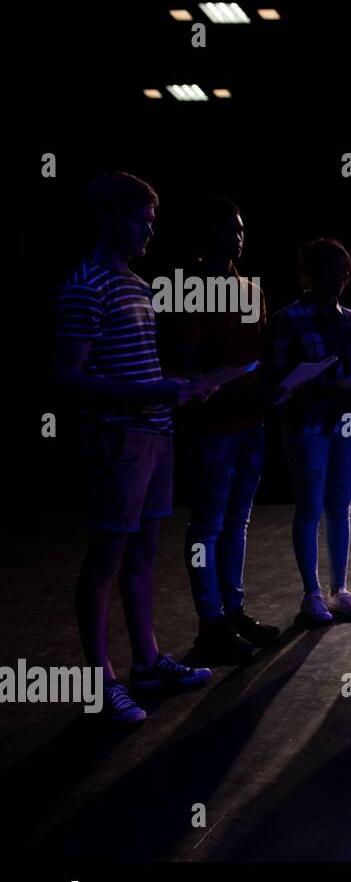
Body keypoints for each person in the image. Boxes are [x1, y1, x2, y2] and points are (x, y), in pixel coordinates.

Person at [53, 171, 213, 724]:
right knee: (104, 561)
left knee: (142, 554)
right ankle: (99, 683)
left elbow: (135, 364)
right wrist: (150, 391)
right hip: (116, 439)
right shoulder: (84, 286)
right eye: (140, 220)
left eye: (152, 220)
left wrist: (180, 387)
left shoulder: (139, 286)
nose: (149, 230)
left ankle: (146, 663)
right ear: (106, 218)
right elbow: (68, 380)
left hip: (155, 433)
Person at [168, 196, 279, 663]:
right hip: (213, 424)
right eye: (228, 229)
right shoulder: (188, 286)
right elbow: (187, 362)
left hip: (250, 421)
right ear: (207, 235)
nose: (238, 237)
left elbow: (260, 353)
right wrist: (218, 382)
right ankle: (209, 623)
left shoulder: (251, 289)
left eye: (241, 229)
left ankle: (233, 611)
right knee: (207, 527)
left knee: (237, 523)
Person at [270, 238, 351, 626]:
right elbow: (279, 382)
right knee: (310, 507)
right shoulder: (288, 319)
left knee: (340, 508)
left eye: (345, 270)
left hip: (348, 420)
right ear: (309, 274)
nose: (341, 278)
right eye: (333, 269)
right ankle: (311, 593)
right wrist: (319, 386)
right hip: (308, 423)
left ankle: (339, 589)